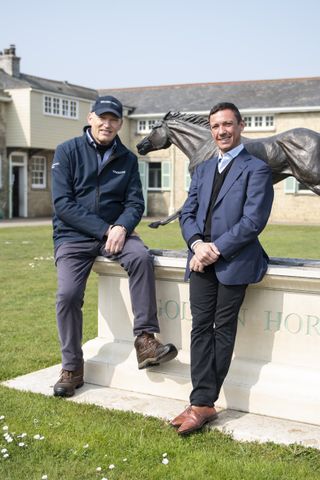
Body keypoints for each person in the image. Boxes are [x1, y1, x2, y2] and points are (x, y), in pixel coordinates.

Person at [51, 95, 178, 397]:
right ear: (91, 117)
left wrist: (121, 227)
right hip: (73, 236)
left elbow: (135, 202)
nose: (108, 124)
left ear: (120, 123)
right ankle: (72, 367)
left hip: (117, 234)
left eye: (114, 119)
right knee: (67, 296)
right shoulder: (67, 151)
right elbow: (63, 204)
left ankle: (145, 341)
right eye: (103, 118)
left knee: (141, 257)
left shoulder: (128, 158)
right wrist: (106, 229)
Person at [171, 102, 274, 435]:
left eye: (227, 124)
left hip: (235, 260)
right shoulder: (201, 170)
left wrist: (215, 249)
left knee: (222, 328)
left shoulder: (257, 169)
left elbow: (253, 220)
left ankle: (201, 404)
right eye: (215, 126)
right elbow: (187, 214)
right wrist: (197, 245)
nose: (221, 132)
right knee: (200, 328)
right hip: (201, 259)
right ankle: (202, 401)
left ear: (240, 126)